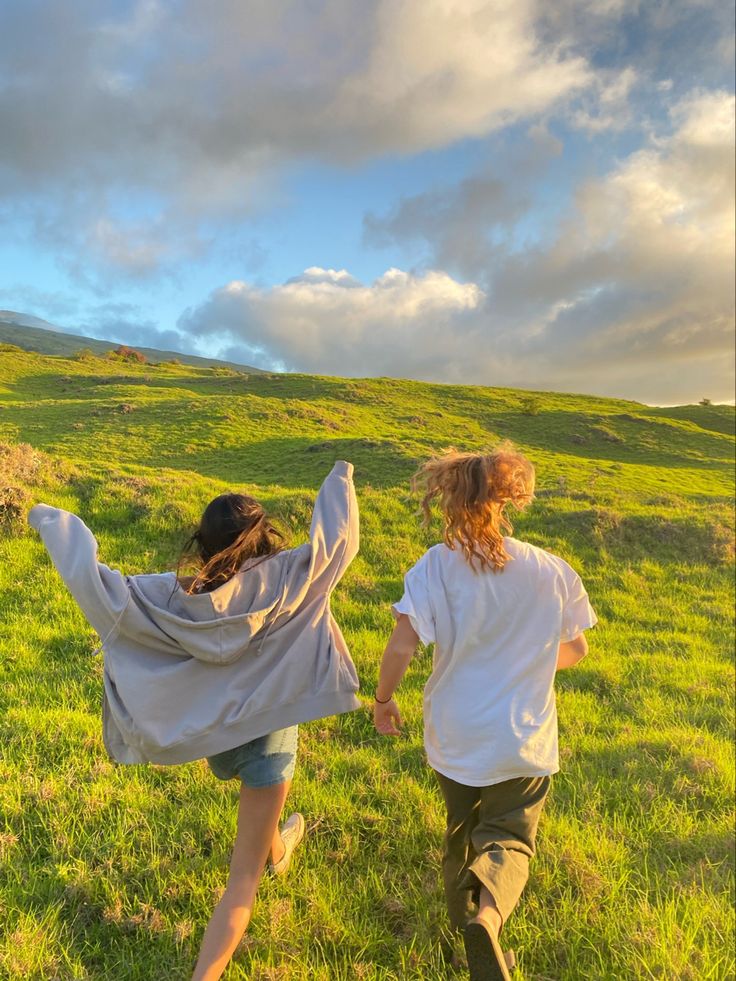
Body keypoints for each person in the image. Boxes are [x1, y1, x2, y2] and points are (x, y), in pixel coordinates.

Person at [29, 461, 360, 981]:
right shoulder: (294, 576)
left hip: (215, 739)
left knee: (264, 821)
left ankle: (282, 844)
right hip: (270, 738)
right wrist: (339, 477)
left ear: (202, 546)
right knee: (240, 883)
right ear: (264, 538)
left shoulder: (173, 597)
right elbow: (337, 543)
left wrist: (53, 519)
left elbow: (99, 587)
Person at [372, 446, 597, 981]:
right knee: (510, 837)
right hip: (522, 737)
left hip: (455, 733)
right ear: (509, 498)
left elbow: (402, 646)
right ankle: (489, 924)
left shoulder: (435, 566)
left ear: (451, 496)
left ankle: (460, 936)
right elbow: (577, 649)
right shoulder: (550, 568)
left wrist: (382, 702)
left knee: (460, 832)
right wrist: (530, 663)